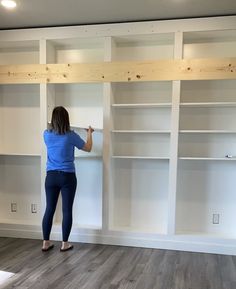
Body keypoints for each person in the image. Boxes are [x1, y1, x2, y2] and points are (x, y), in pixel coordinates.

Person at [42, 106, 94, 252]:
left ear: (53, 120)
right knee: (66, 210)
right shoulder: (71, 135)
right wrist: (89, 133)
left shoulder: (46, 134)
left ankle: (46, 242)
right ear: (67, 119)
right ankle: (65, 244)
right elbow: (88, 148)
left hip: (51, 176)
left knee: (49, 209)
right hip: (67, 176)